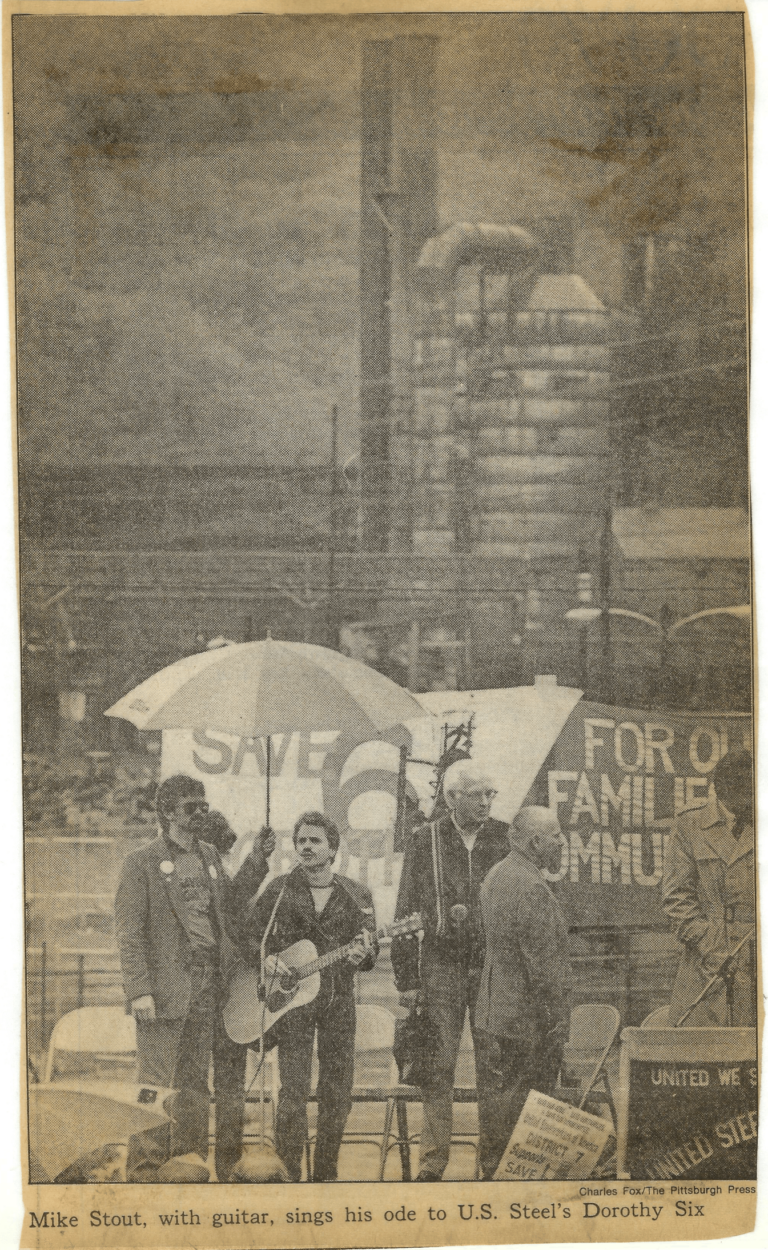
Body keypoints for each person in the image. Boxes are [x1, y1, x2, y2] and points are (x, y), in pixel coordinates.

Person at [115, 773, 273, 1175]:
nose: (201, 812)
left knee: (196, 1083)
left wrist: (257, 859)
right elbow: (129, 933)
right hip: (165, 989)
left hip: (210, 983)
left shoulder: (209, 855)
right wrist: (139, 991)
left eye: (204, 805)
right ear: (169, 812)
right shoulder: (141, 862)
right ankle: (145, 1169)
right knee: (155, 1081)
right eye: (191, 807)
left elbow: (230, 903)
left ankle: (194, 1165)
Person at [243, 811, 378, 1182]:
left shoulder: (357, 893)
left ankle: (326, 1172)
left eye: (315, 840)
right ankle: (288, 1172)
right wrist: (266, 958)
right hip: (293, 1004)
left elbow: (370, 950)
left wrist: (362, 954)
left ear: (332, 849)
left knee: (337, 1092)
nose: (306, 846)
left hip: (338, 1002)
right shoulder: (279, 889)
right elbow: (251, 936)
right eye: (301, 840)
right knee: (293, 1092)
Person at [390, 762, 509, 1182]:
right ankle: (432, 1164)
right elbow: (405, 907)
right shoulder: (426, 839)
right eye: (477, 794)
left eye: (490, 794)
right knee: (438, 1066)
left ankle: (493, 1164)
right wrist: (407, 979)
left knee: (493, 1066)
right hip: (440, 965)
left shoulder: (505, 837)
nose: (486, 802)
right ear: (452, 797)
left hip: (492, 966)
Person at [475, 805, 572, 1179]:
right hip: (527, 1023)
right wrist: (557, 1021)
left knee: (499, 1108)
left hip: (493, 1012)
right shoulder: (531, 887)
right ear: (535, 842)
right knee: (529, 1113)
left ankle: (493, 1179)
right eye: (556, 836)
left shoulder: (496, 875)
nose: (561, 842)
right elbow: (543, 970)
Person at [663, 748, 755, 1027]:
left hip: (757, 953)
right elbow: (676, 899)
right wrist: (710, 945)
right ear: (722, 788)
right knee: (704, 1042)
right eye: (745, 788)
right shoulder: (690, 825)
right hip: (707, 960)